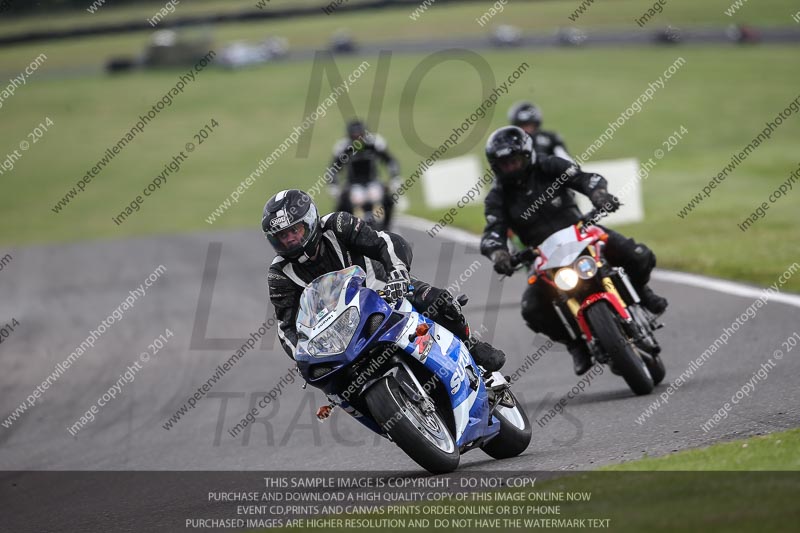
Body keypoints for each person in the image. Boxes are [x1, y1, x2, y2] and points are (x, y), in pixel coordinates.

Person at [479, 126, 667, 376]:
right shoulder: (497, 197)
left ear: (527, 155)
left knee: (639, 255)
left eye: (514, 160)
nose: (511, 167)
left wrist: (599, 194)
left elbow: (586, 178)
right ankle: (575, 344)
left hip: (583, 231)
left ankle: (642, 292)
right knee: (531, 308)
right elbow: (492, 232)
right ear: (495, 166)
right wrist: (499, 254)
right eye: (504, 164)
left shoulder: (550, 166)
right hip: (542, 256)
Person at [264, 189, 506, 373]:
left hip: (385, 291)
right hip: (339, 332)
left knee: (438, 300)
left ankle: (471, 345)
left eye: (295, 230)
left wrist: (398, 272)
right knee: (331, 380)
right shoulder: (279, 274)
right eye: (283, 236)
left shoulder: (338, 224)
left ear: (309, 221)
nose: (291, 240)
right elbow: (286, 326)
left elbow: (384, 242)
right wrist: (301, 356)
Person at [327, 119, 401, 230]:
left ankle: (387, 227)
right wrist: (333, 185)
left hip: (374, 182)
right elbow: (333, 169)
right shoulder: (343, 148)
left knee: (389, 199)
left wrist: (395, 177)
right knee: (341, 204)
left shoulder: (375, 143)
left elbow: (390, 161)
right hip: (352, 185)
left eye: (359, 136)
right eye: (354, 136)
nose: (357, 140)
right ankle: (342, 231)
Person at [508, 101, 574, 163]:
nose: (526, 130)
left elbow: (568, 162)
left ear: (536, 125)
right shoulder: (508, 142)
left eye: (529, 125)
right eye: (522, 125)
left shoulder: (551, 139)